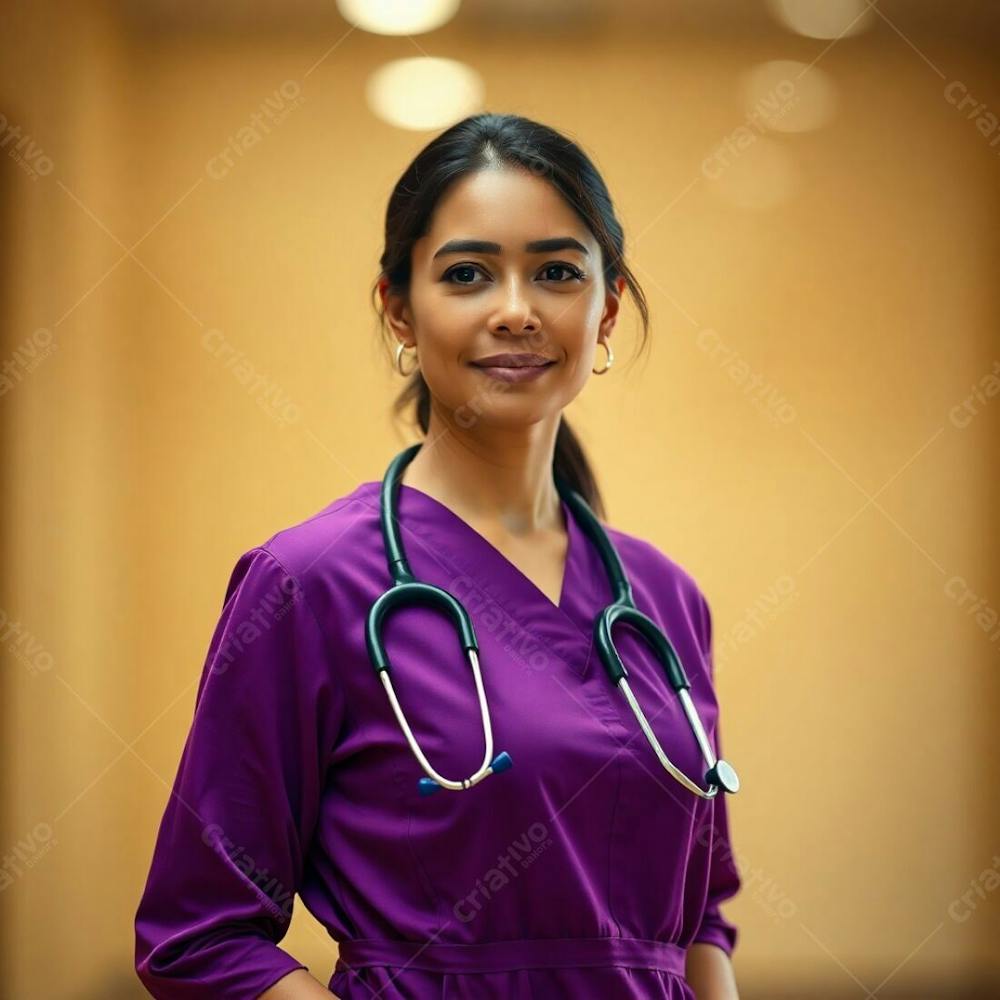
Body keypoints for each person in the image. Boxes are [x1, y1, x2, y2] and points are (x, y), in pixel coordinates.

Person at [134, 112, 742, 1000]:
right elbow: (200, 936)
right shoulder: (309, 584)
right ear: (399, 310)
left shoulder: (663, 599)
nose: (515, 310)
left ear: (604, 310)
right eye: (466, 274)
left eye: (557, 273)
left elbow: (700, 920)